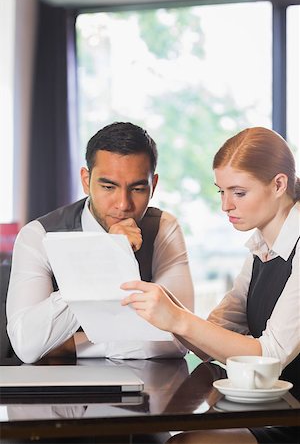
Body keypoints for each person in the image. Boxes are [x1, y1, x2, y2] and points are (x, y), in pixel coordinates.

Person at [121, 127, 300, 444]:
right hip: (271, 408)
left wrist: (177, 318)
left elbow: (269, 354)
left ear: (279, 184)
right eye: (221, 191)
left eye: (239, 193)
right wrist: (164, 309)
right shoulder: (261, 246)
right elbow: (212, 340)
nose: (226, 206)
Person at [6, 121, 194, 364]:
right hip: (60, 391)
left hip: (149, 388)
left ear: (153, 185)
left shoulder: (163, 229)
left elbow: (180, 339)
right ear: (86, 180)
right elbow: (26, 345)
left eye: (137, 189)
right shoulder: (37, 235)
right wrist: (107, 256)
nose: (123, 204)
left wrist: (71, 345)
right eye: (108, 186)